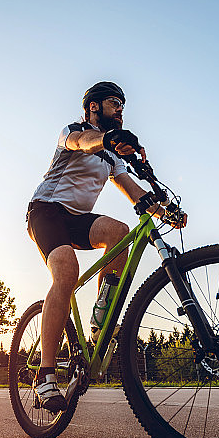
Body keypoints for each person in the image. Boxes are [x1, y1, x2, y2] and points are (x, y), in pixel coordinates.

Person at [26, 81, 187, 412]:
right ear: (94, 107)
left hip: (78, 220)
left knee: (119, 231)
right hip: (47, 211)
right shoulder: (74, 131)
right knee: (67, 272)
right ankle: (44, 373)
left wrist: (166, 210)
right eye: (115, 103)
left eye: (123, 106)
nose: (121, 110)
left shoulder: (112, 157)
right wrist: (107, 139)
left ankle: (101, 322)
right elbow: (83, 143)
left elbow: (135, 193)